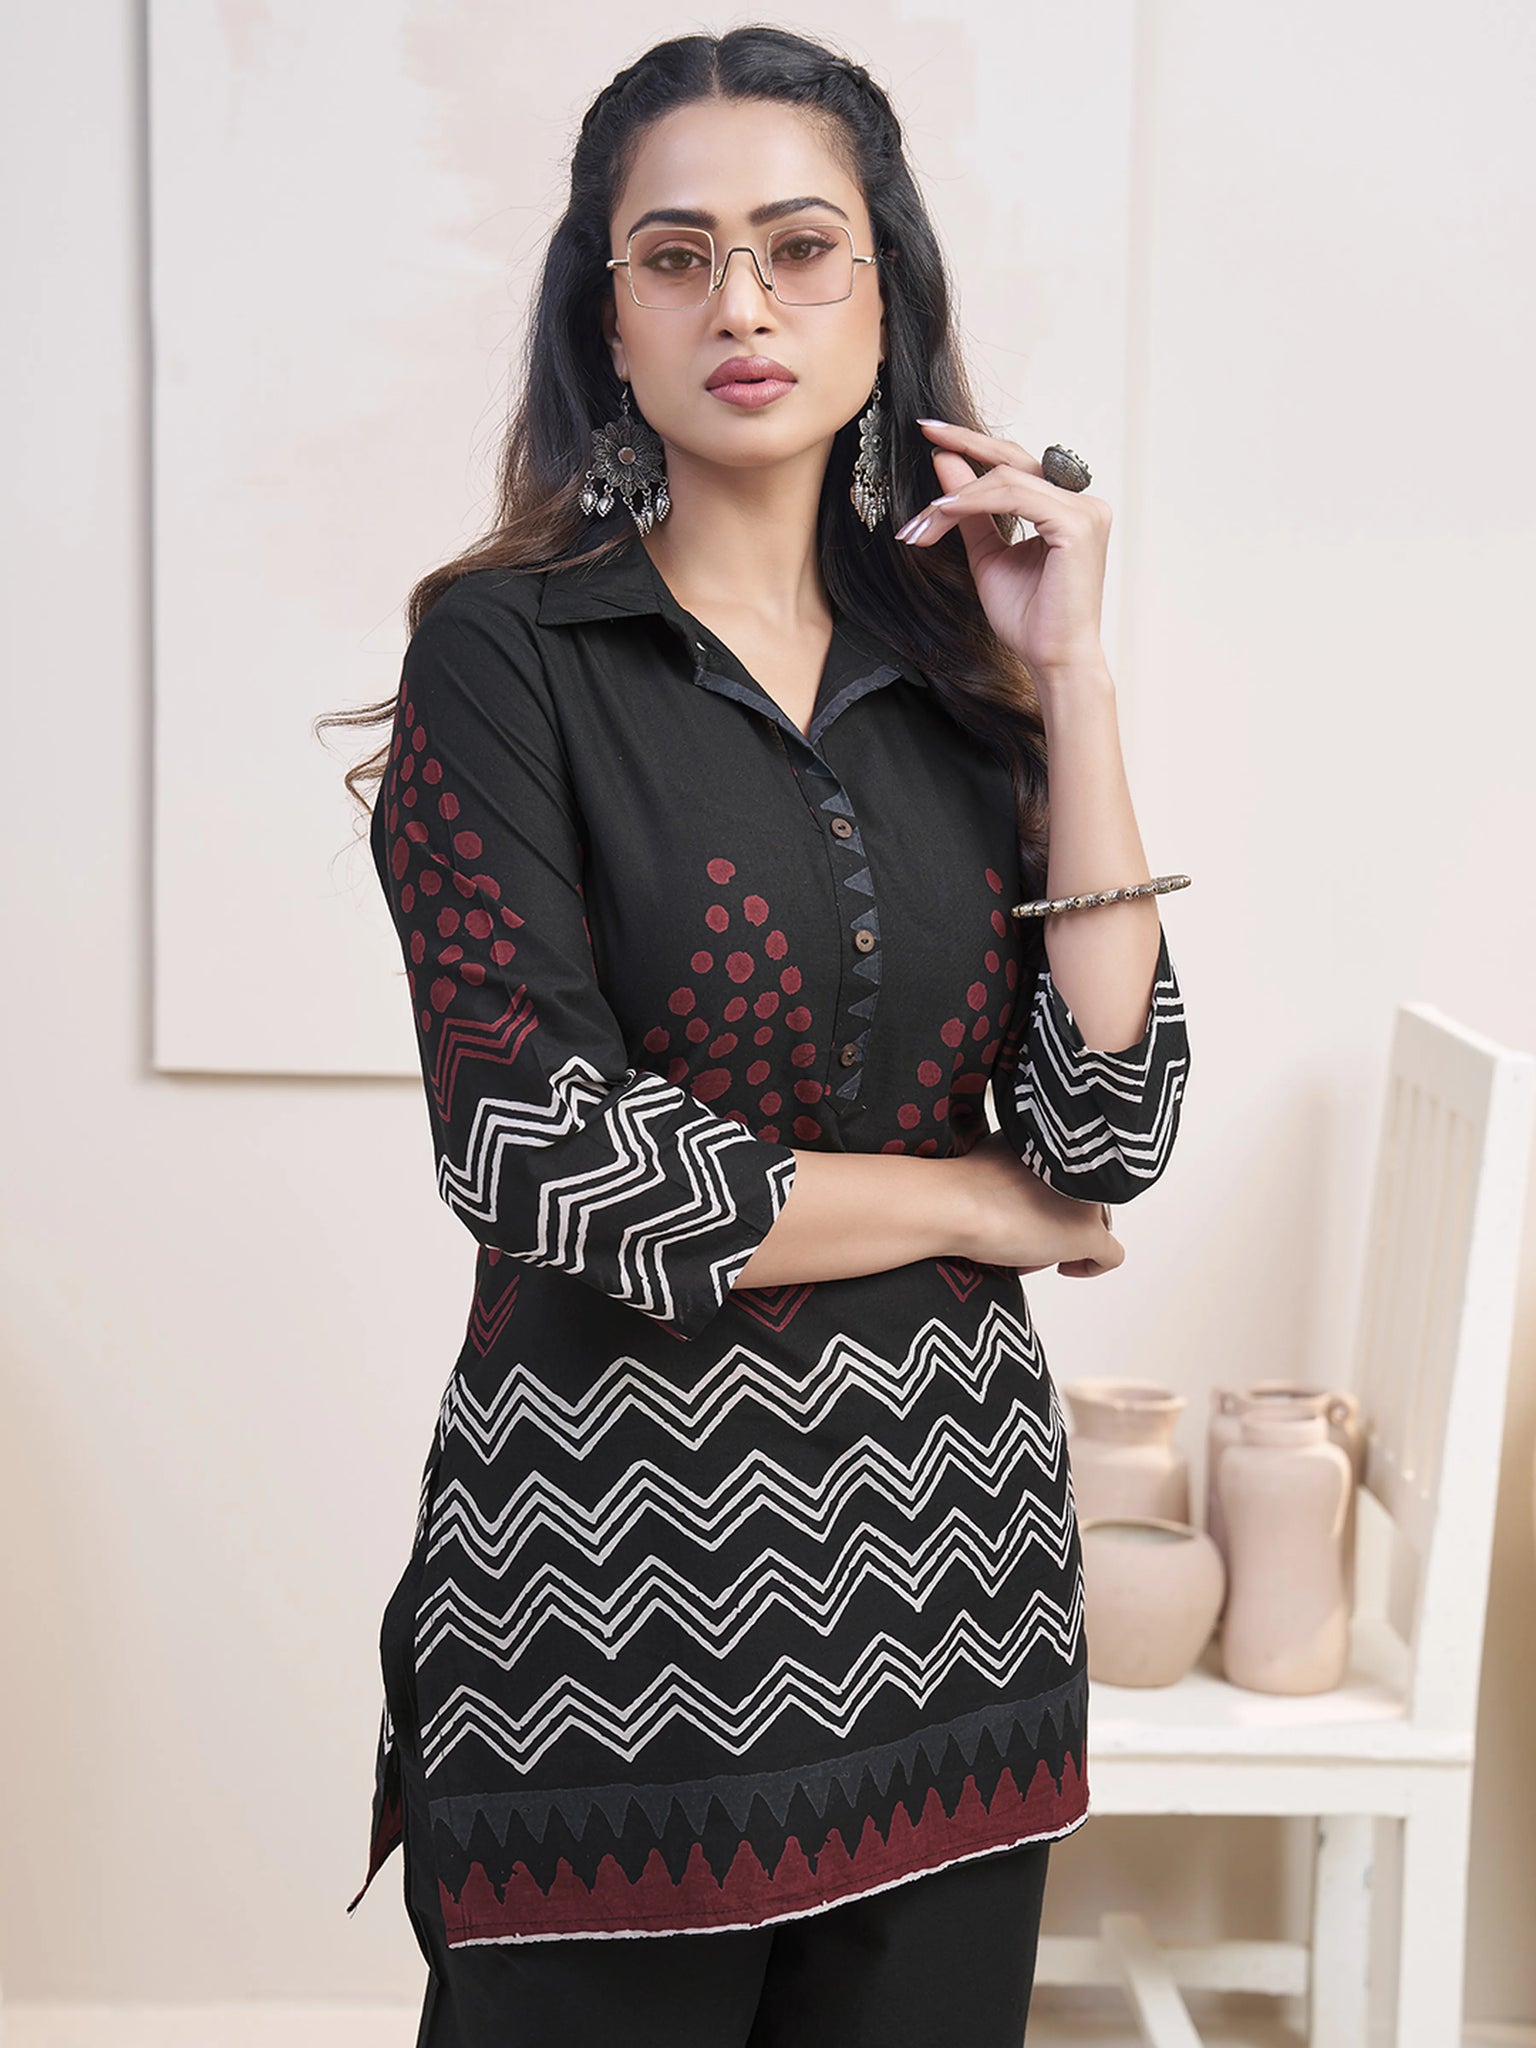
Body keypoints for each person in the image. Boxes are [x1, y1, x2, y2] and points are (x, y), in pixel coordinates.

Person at [327, 24, 1191, 2045]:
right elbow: (549, 1155)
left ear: (885, 300)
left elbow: (1109, 1126)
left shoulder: (969, 675)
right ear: (605, 319)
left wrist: (1073, 680)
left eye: (802, 249)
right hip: (608, 1665)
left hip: (963, 1633)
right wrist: (976, 1203)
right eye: (677, 255)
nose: (741, 303)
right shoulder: (504, 655)